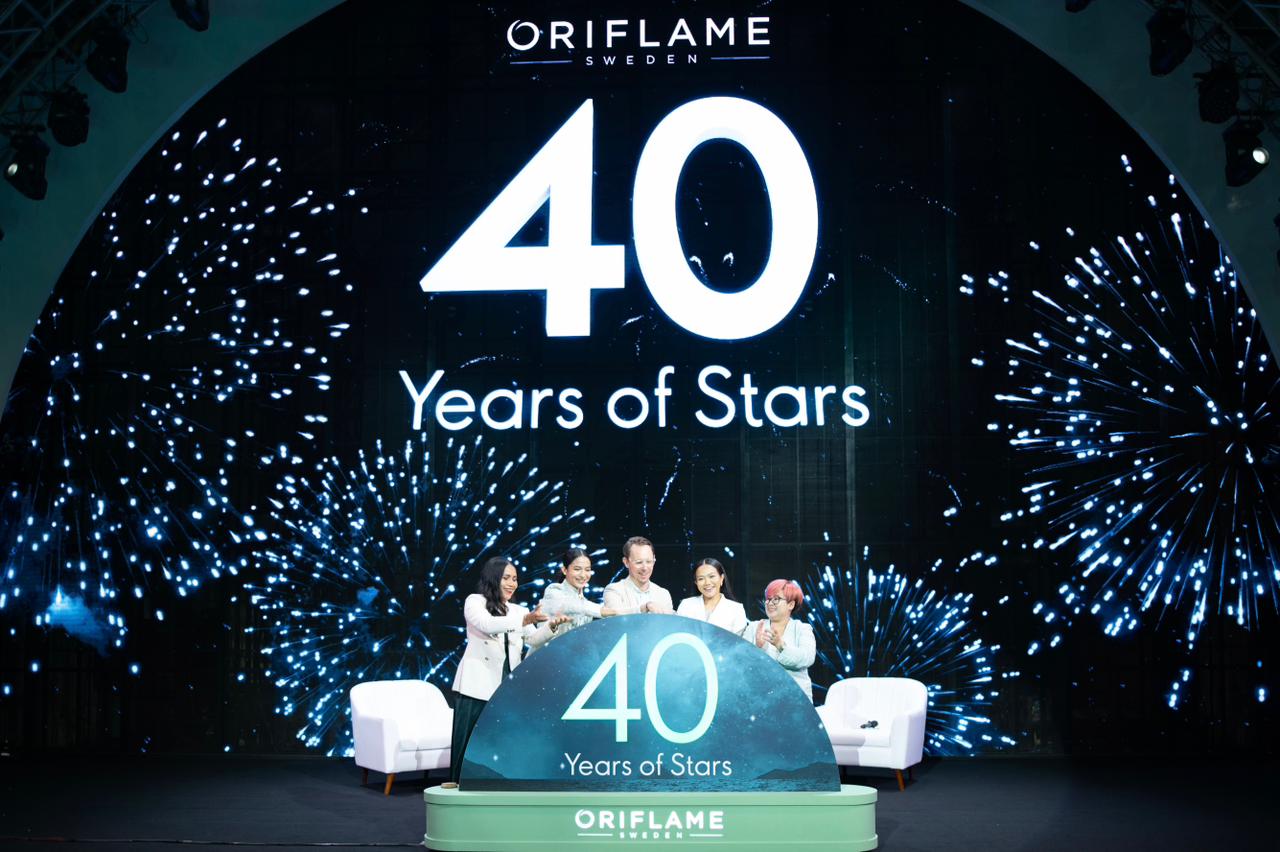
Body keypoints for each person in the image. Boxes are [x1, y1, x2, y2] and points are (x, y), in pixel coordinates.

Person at [449, 556, 548, 784]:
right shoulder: (475, 602)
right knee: (467, 742)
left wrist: (552, 627)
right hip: (476, 684)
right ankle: (457, 788)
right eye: (506, 578)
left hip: (506, 685)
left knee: (497, 742)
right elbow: (487, 625)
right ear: (493, 578)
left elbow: (533, 638)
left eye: (515, 579)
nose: (512, 584)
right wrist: (525, 619)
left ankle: (493, 787)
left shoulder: (518, 610)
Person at [527, 547, 616, 651]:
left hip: (568, 657)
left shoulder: (585, 602)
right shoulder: (554, 591)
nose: (583, 575)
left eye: (587, 570)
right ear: (564, 570)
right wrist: (610, 611)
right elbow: (574, 606)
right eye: (577, 569)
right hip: (543, 656)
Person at [743, 578, 816, 702]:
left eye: (776, 599)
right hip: (761, 698)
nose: (770, 603)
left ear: (791, 604)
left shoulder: (802, 629)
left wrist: (781, 646)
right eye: (768, 599)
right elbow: (742, 662)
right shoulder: (754, 627)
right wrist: (757, 649)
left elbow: (807, 658)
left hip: (796, 698)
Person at [675, 557, 748, 636]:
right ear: (696, 582)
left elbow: (739, 642)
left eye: (712, 576)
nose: (707, 583)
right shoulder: (686, 605)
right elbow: (678, 636)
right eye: (701, 579)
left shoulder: (736, 609)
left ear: (721, 578)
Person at [602, 535, 673, 615]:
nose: (644, 568)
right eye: (639, 562)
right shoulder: (614, 590)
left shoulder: (663, 594)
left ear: (654, 560)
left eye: (649, 562)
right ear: (626, 562)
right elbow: (616, 618)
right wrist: (643, 608)